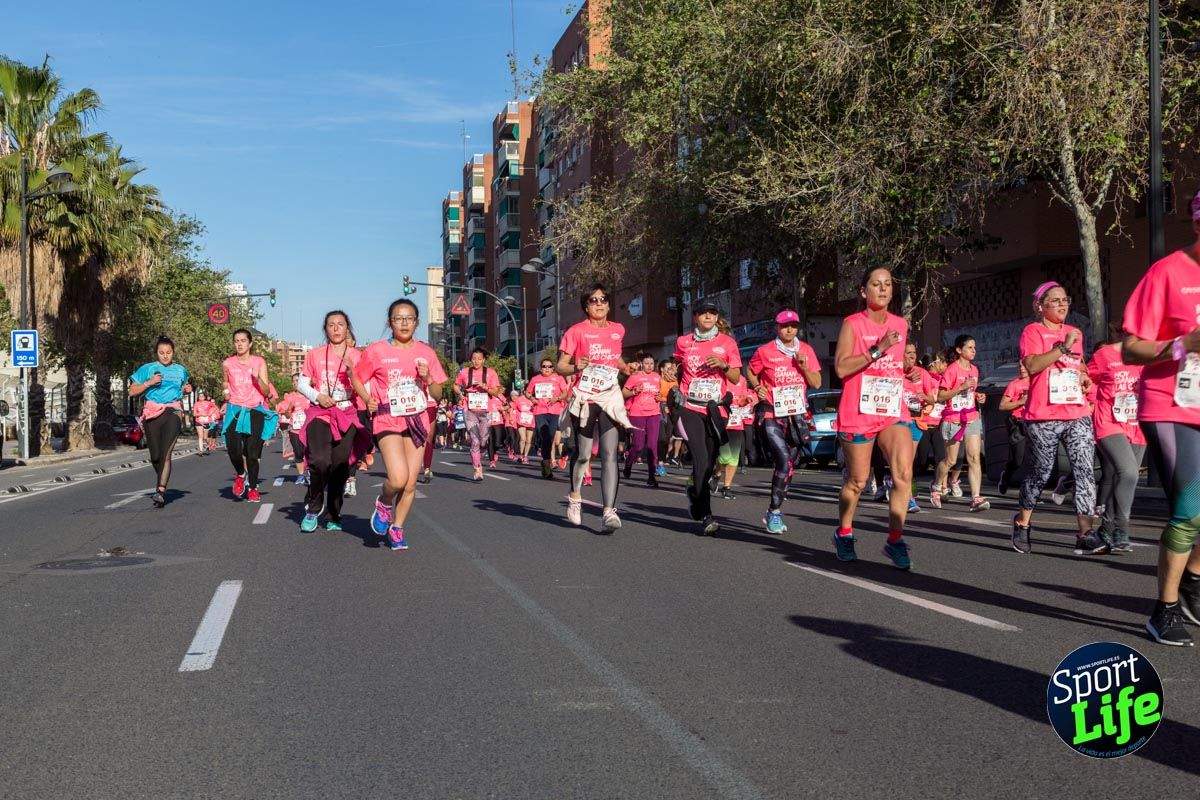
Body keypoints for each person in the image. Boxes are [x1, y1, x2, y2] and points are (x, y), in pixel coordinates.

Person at [1121, 193, 1200, 644]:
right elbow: (1132, 348)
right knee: (1190, 510)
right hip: (1170, 403)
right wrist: (1184, 345)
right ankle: (1163, 609)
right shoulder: (1167, 273)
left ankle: (1192, 580)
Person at [833, 267, 915, 568]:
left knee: (903, 475)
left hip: (891, 409)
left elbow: (893, 369)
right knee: (857, 480)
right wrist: (877, 350)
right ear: (863, 291)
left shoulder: (900, 324)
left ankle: (895, 540)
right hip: (858, 410)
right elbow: (841, 369)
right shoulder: (852, 324)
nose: (883, 289)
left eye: (888, 284)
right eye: (876, 284)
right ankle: (844, 532)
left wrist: (910, 375)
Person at [351, 298, 447, 551]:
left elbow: (437, 393)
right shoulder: (376, 350)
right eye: (398, 318)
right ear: (390, 322)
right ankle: (384, 502)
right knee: (397, 478)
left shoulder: (426, 352)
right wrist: (367, 398)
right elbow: (357, 379)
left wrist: (428, 378)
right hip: (387, 418)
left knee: (411, 483)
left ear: (416, 322)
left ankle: (398, 527)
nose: (404, 323)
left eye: (409, 318)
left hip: (417, 419)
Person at [1011, 282, 1099, 555]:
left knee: (1085, 470)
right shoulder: (1032, 331)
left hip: (1076, 412)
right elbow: (1033, 365)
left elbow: (1080, 365)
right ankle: (1022, 521)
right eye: (1056, 301)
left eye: (1065, 300)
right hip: (1043, 414)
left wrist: (1084, 377)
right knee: (1041, 472)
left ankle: (1085, 533)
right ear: (1040, 307)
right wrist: (1062, 348)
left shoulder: (1075, 333)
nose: (1063, 305)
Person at [557, 283, 632, 531]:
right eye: (593, 300)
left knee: (611, 455)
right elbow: (561, 366)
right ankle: (575, 496)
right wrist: (577, 366)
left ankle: (609, 511)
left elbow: (614, 355)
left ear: (609, 304)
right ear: (586, 306)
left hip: (609, 396)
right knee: (584, 455)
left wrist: (624, 367)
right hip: (585, 398)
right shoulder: (576, 332)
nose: (599, 304)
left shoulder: (618, 330)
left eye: (603, 300)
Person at [748, 309, 822, 534]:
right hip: (772, 413)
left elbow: (817, 383)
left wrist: (804, 366)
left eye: (793, 326)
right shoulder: (765, 351)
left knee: (789, 466)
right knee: (783, 461)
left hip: (797, 417)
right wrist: (758, 386)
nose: (789, 329)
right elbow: (751, 372)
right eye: (784, 326)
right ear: (777, 328)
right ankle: (775, 512)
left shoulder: (806, 350)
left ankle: (774, 505)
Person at [674, 302, 743, 535]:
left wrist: (723, 365)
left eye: (713, 313)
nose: (708, 316)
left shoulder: (727, 343)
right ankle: (706, 515)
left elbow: (735, 377)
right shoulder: (684, 342)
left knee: (711, 461)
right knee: (701, 458)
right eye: (703, 312)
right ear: (695, 317)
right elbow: (677, 368)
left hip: (716, 410)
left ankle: (695, 493)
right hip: (690, 407)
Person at [295, 310, 365, 533]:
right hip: (320, 412)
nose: (336, 328)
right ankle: (313, 506)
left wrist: (353, 373)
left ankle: (334, 513)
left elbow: (365, 388)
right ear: (325, 329)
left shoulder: (357, 356)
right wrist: (317, 396)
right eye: (331, 325)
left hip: (346, 413)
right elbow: (302, 384)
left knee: (339, 466)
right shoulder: (314, 355)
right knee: (319, 461)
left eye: (341, 324)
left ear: (347, 328)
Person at [1087, 323, 1144, 555]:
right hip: (1108, 421)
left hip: (1137, 424)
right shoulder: (1105, 355)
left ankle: (1106, 529)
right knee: (1128, 471)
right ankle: (1122, 527)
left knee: (1127, 478)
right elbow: (1085, 377)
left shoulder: (1149, 358)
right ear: (1121, 332)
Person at [129, 336, 192, 508]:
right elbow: (132, 391)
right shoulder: (147, 369)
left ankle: (161, 491)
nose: (165, 356)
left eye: (168, 352)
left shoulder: (181, 370)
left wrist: (187, 390)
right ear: (157, 353)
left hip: (173, 411)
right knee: (155, 456)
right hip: (152, 413)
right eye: (161, 353)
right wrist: (149, 382)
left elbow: (185, 387)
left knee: (165, 454)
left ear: (173, 352)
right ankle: (161, 481)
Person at [932, 335, 990, 512]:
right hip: (953, 419)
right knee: (950, 460)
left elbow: (970, 393)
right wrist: (960, 388)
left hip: (971, 417)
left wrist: (978, 396)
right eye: (970, 348)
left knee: (974, 457)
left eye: (974, 347)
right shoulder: (951, 370)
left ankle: (975, 497)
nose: (974, 351)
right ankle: (936, 486)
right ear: (959, 350)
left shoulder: (975, 370)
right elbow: (941, 396)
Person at [221, 328, 279, 503]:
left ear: (250, 343)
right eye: (236, 341)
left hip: (255, 409)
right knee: (233, 449)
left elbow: (267, 390)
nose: (239, 344)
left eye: (243, 341)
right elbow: (225, 381)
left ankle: (253, 488)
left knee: (253, 453)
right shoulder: (228, 363)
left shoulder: (259, 362)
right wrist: (225, 392)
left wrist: (257, 379)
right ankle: (240, 473)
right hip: (235, 409)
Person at [901, 342, 937, 513]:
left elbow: (932, 399)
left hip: (916, 420)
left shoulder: (923, 373)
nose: (912, 356)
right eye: (908, 353)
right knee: (903, 462)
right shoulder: (895, 373)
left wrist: (924, 396)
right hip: (898, 422)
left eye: (914, 352)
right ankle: (907, 496)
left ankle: (907, 494)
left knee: (909, 462)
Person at [455, 348, 501, 481]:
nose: (476, 361)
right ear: (471, 359)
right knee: (474, 440)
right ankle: (477, 467)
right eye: (474, 358)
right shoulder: (464, 372)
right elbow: (456, 385)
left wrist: (485, 387)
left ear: (484, 359)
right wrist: (460, 393)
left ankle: (480, 454)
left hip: (486, 410)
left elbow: (496, 392)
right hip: (469, 408)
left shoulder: (491, 372)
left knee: (483, 440)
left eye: (479, 359)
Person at [622, 352, 663, 486]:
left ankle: (651, 476)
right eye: (646, 363)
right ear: (641, 364)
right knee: (638, 445)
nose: (649, 366)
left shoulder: (658, 377)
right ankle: (628, 464)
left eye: (651, 363)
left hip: (654, 413)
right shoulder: (635, 377)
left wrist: (660, 398)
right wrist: (634, 392)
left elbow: (662, 394)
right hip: (637, 413)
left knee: (652, 445)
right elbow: (624, 392)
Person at [526, 358, 569, 478]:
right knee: (544, 436)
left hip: (555, 411)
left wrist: (557, 398)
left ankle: (546, 460)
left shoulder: (559, 378)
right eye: (544, 366)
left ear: (553, 368)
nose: (547, 368)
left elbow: (565, 393)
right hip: (540, 411)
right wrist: (532, 399)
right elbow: (527, 392)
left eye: (549, 366)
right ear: (540, 368)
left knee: (550, 437)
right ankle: (546, 464)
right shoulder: (535, 379)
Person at [716, 371, 755, 499]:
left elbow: (742, 400)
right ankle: (716, 474)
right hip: (722, 420)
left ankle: (726, 487)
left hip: (737, 421)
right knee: (725, 456)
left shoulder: (742, 379)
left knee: (734, 458)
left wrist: (747, 401)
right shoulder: (719, 376)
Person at [997, 363, 1031, 495]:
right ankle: (1005, 476)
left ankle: (1031, 492)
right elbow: (1002, 406)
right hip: (1017, 424)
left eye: (1025, 366)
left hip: (1034, 423)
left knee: (1033, 459)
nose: (1022, 368)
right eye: (1020, 366)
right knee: (1018, 460)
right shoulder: (1014, 384)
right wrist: (1020, 402)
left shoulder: (1037, 382)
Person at [276, 380, 310, 481]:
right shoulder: (291, 397)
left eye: (297, 382)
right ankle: (301, 475)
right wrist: (288, 413)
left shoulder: (310, 396)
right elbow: (286, 412)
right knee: (298, 452)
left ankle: (309, 472)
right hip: (294, 429)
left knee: (308, 451)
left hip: (308, 429)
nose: (296, 384)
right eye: (294, 382)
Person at [192, 390, 219, 455]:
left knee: (205, 437)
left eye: (202, 396)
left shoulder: (208, 403)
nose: (201, 397)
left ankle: (208, 444)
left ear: (204, 397)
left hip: (206, 421)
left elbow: (215, 407)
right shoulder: (196, 404)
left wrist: (210, 414)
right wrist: (200, 414)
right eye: (199, 396)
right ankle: (201, 451)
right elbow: (194, 414)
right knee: (200, 437)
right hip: (198, 421)